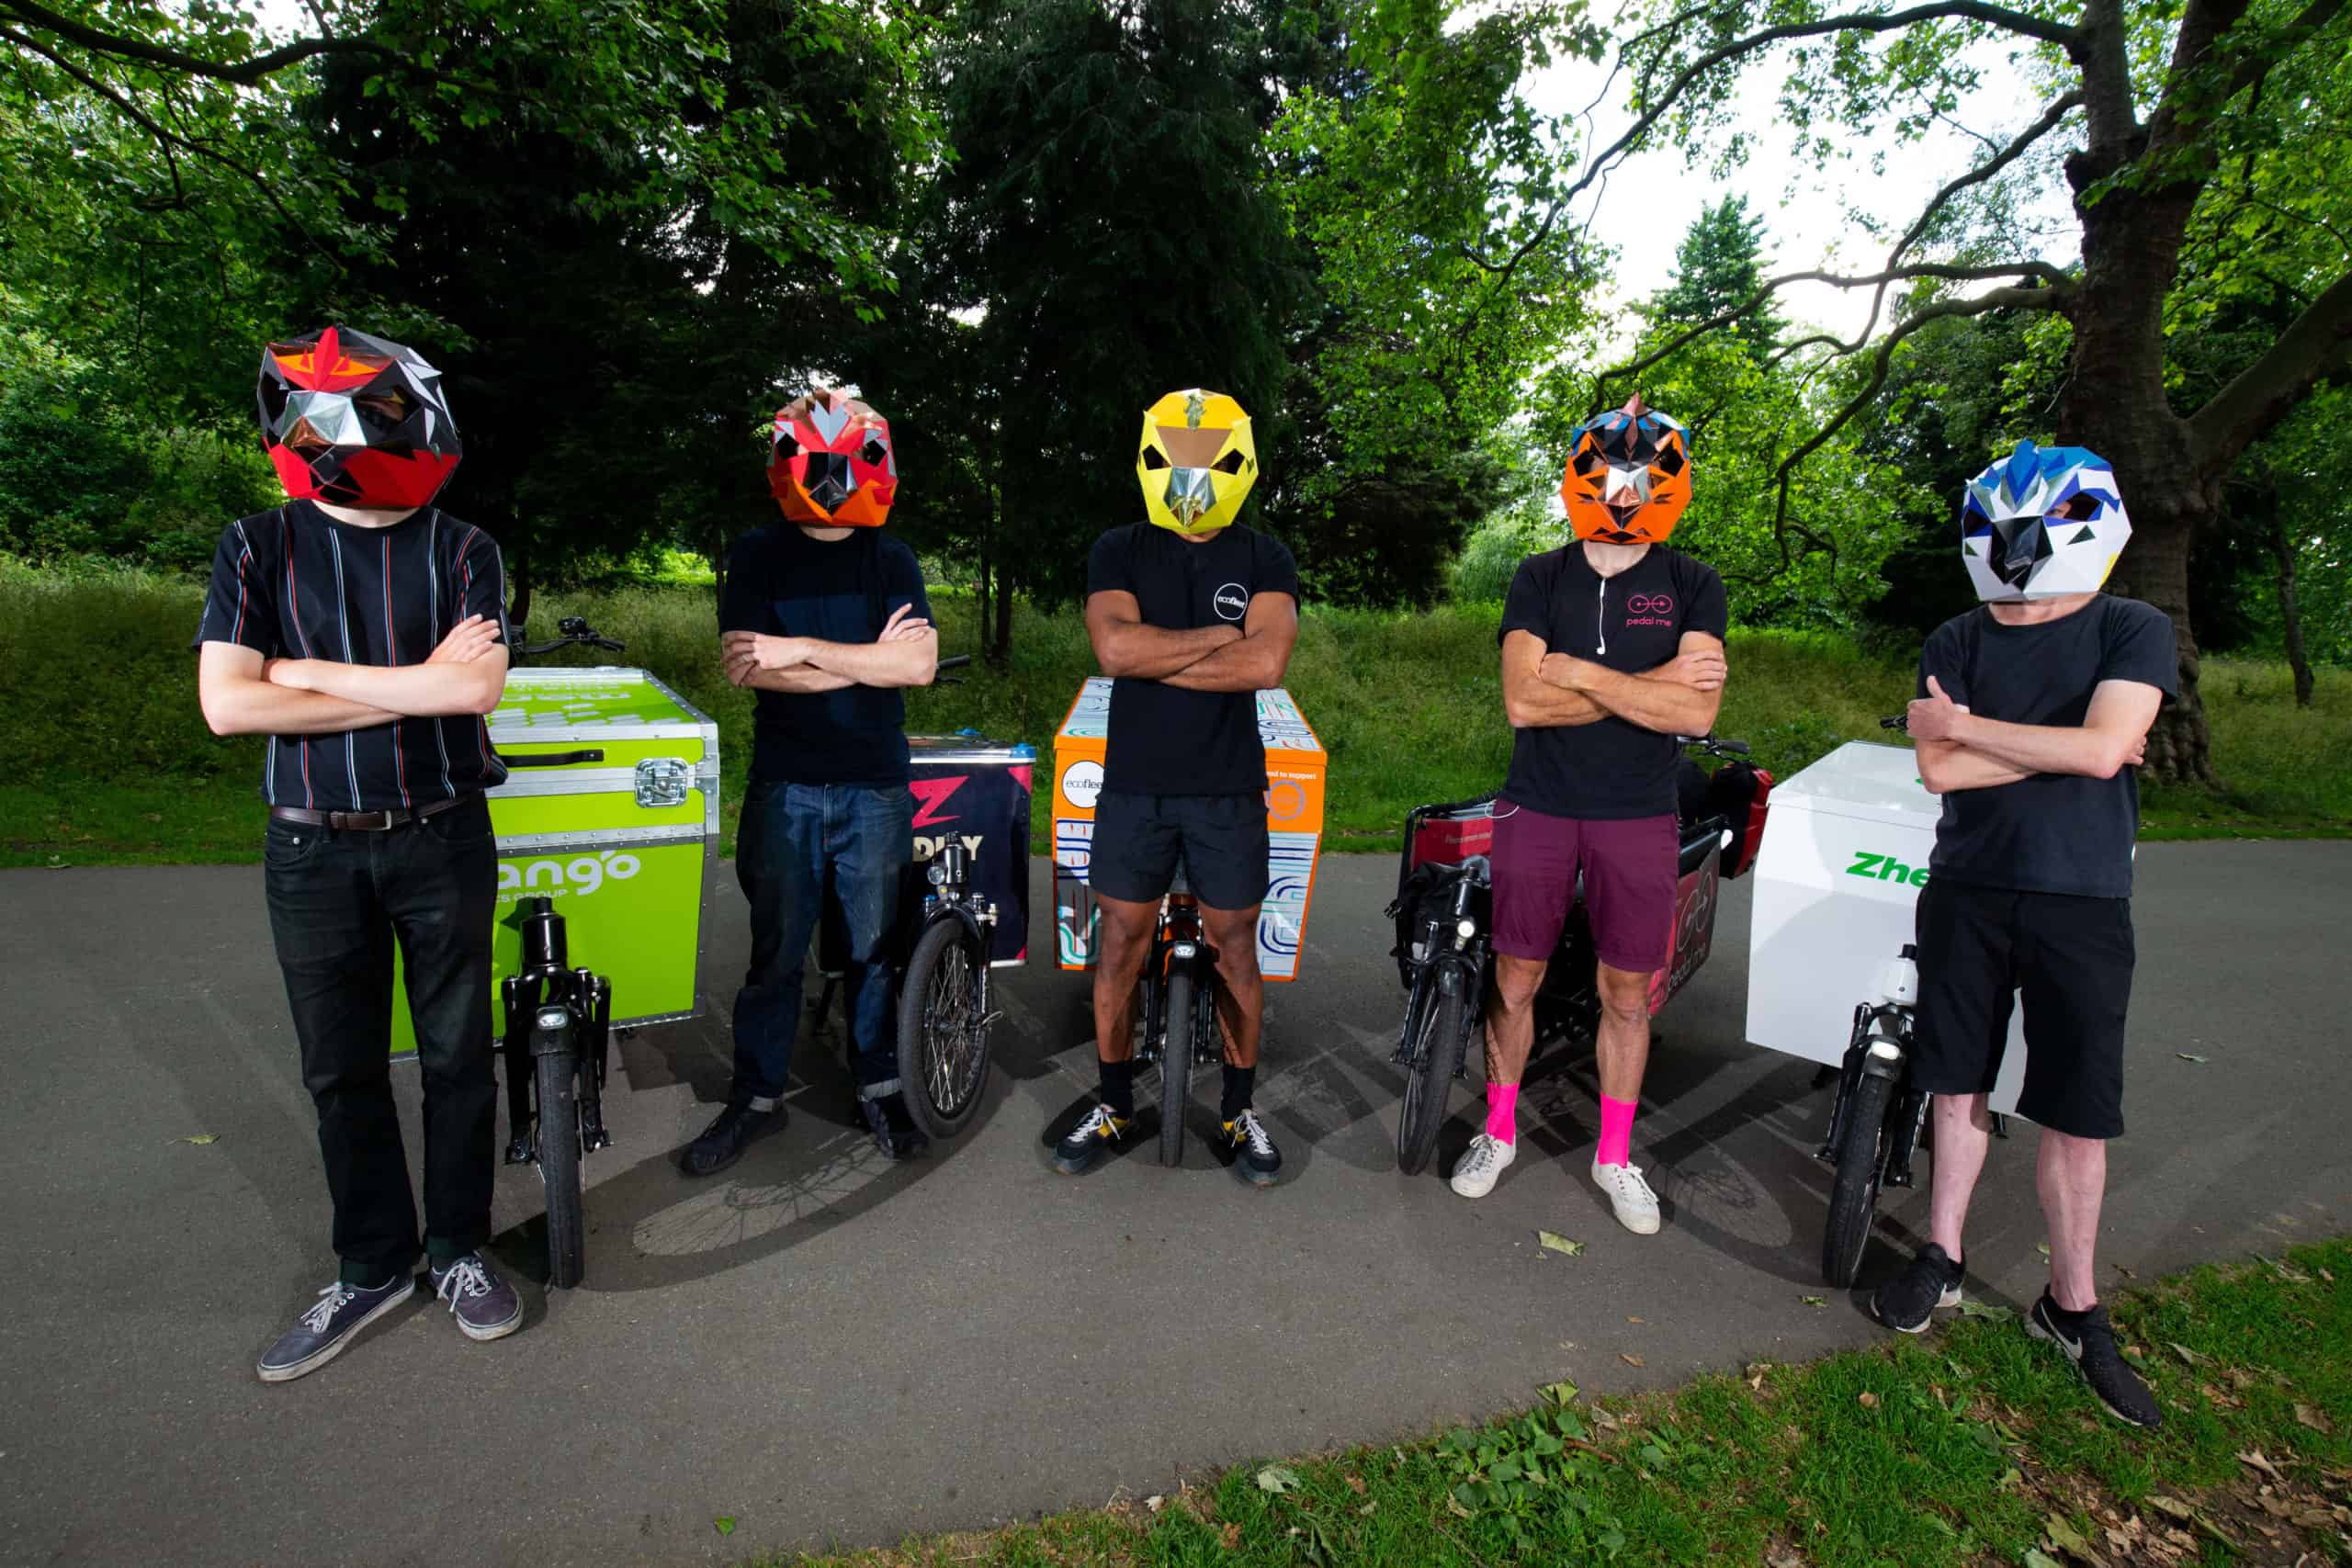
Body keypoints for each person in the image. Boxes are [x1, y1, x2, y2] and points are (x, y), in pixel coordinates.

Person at [197, 326, 521, 1382]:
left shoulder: (464, 547)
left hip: (439, 836)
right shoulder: (258, 545)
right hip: (311, 848)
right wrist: (401, 681)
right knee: (341, 1069)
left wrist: (300, 674)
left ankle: (459, 1249)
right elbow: (226, 708)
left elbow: (469, 691)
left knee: (457, 1059)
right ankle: (372, 1263)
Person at [1871, 439, 2173, 1429]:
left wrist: (1973, 730)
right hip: (1965, 888)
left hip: (2079, 899)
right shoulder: (1957, 636)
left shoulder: (2132, 627)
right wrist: (2077, 749)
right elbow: (1942, 775)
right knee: (1953, 1080)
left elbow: (2097, 753)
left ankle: (2072, 1306)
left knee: (2075, 1111)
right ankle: (1942, 1257)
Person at [1453, 397, 1727, 1235]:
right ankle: (1496, 1132)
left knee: (1627, 994)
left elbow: (1697, 720)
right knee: (1515, 977)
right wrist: (1648, 691)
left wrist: (1578, 671)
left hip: (1639, 813)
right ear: (1581, 477)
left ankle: (1614, 1154)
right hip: (1538, 805)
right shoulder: (1540, 573)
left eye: (1640, 482)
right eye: (1606, 478)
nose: (1620, 496)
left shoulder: (1692, 582)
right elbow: (1522, 703)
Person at [681, 389, 938, 1176]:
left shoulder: (889, 556)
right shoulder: (758, 552)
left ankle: (880, 1083)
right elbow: (744, 667)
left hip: (874, 786)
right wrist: (861, 662)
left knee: (873, 950)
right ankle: (755, 1097)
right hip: (786, 783)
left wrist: (799, 651)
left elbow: (918, 665)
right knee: (776, 954)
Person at [1052, 389, 1299, 1186]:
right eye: (1176, 457)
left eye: (1209, 459)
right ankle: (1116, 1100)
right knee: (1119, 940)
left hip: (1228, 789)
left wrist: (1165, 653)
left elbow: (1266, 664)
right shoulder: (1118, 547)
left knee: (1235, 953)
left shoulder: (1266, 556)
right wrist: (1219, 640)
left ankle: (1236, 1110)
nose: (1191, 477)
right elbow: (1115, 652)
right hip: (1135, 787)